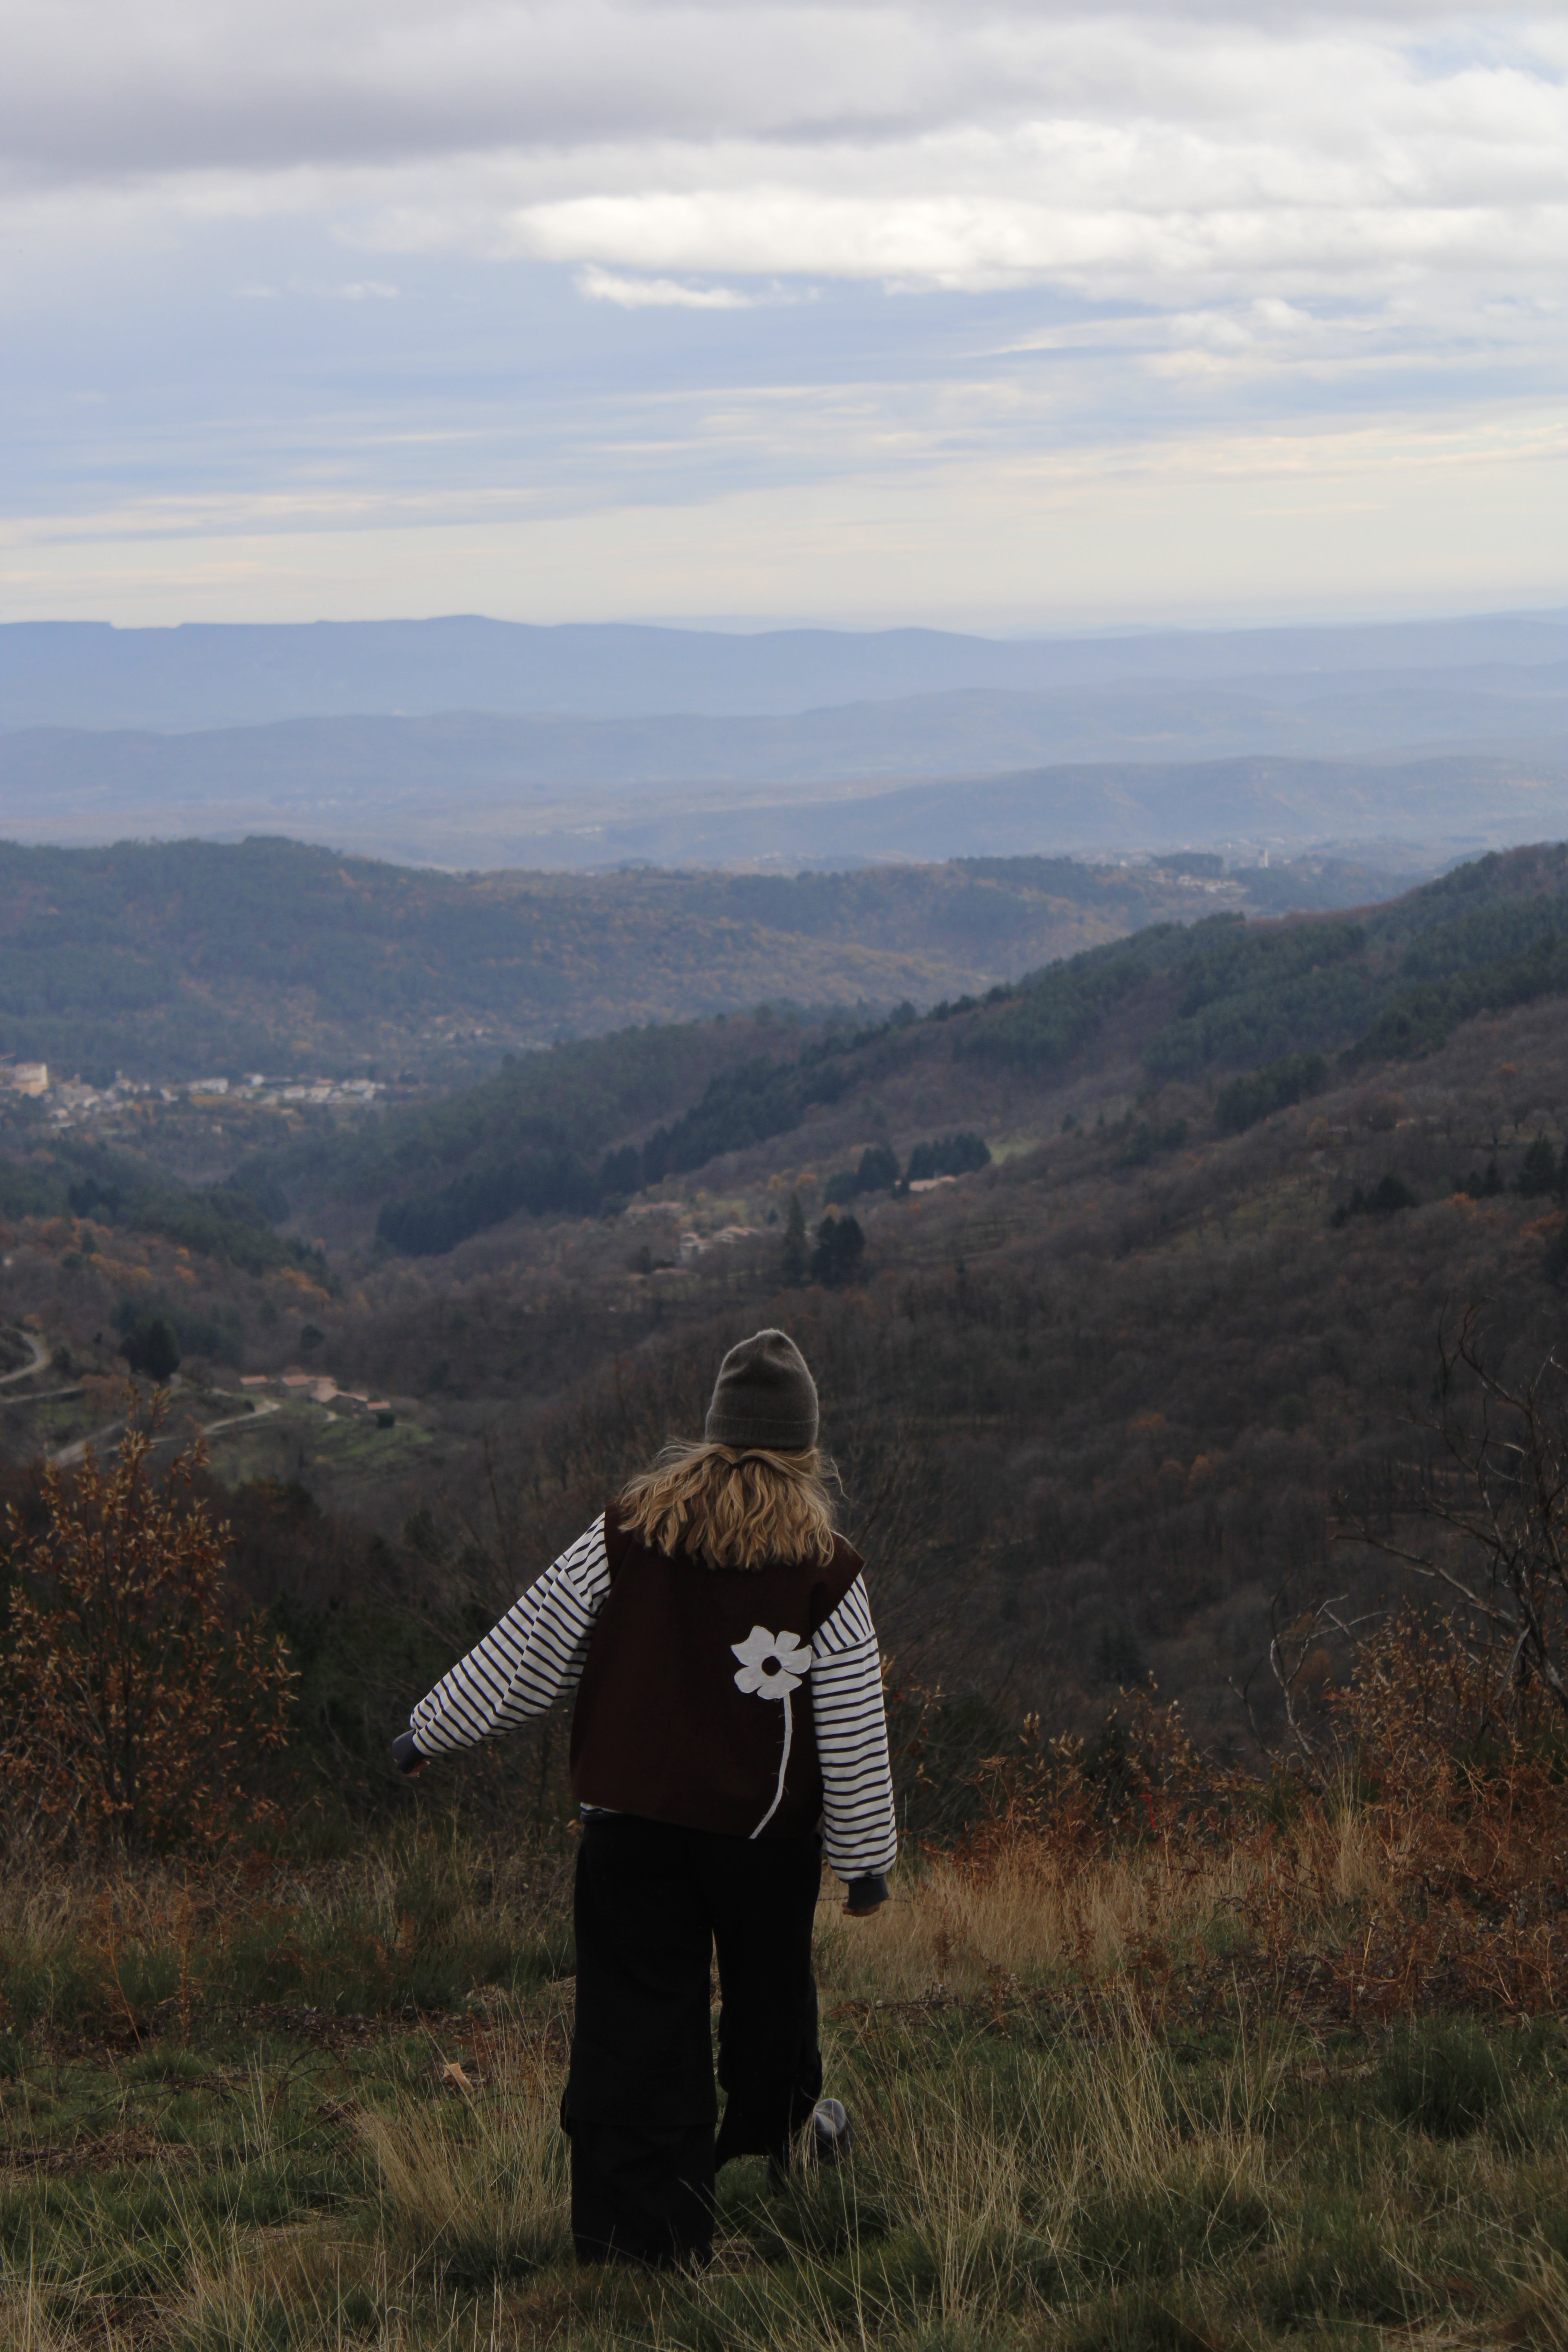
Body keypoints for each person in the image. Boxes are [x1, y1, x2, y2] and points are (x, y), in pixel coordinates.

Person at [391, 1327, 898, 2267]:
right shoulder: (829, 1569)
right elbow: (854, 1727)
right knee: (771, 2008)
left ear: (713, 1433)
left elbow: (529, 1646)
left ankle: (644, 2241)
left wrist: (434, 1727)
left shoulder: (629, 1532)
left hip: (633, 1829)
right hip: (762, 1838)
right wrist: (864, 1863)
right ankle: (788, 2142)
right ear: (805, 1447)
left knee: (635, 2028)